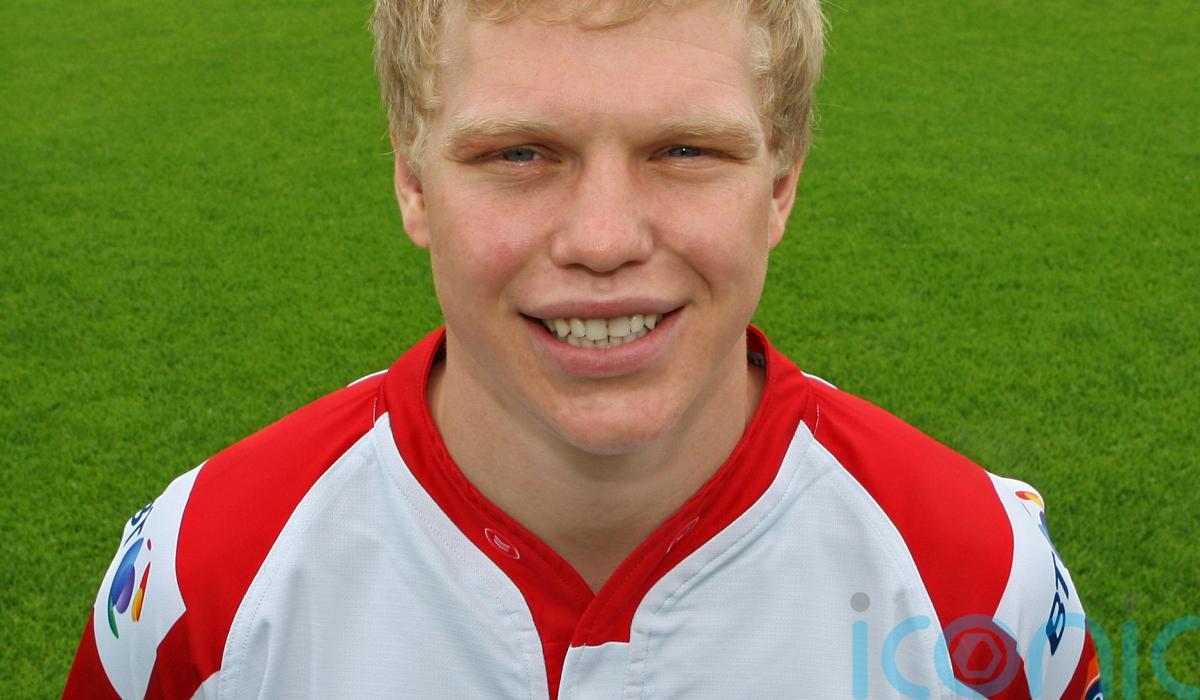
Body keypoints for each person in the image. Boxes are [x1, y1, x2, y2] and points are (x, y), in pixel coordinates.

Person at [65, 1, 1102, 698]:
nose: (603, 240)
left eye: (685, 150)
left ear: (780, 183)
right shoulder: (209, 579)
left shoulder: (976, 576)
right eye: (520, 153)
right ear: (414, 183)